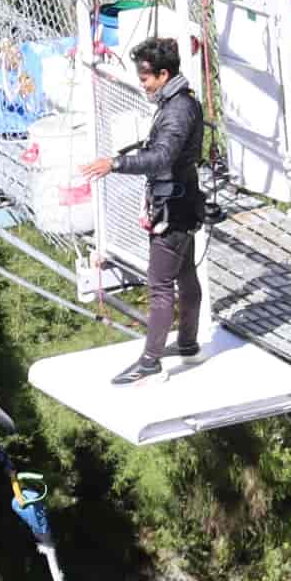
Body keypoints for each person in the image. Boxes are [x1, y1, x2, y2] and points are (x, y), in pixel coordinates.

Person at [82, 35, 207, 385]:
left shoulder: (177, 110)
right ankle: (188, 344)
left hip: (173, 209)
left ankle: (150, 364)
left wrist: (115, 163)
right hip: (184, 202)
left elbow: (162, 157)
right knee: (185, 275)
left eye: (145, 78)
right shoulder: (181, 102)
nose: (143, 84)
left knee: (160, 285)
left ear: (164, 75)